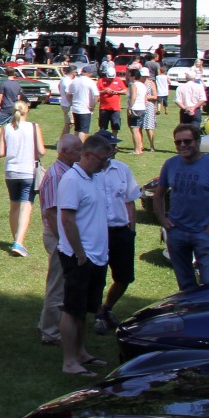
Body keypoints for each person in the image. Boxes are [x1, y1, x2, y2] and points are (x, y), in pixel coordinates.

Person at [154, 123, 209, 290]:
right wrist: (163, 220)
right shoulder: (170, 164)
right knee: (185, 284)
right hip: (177, 232)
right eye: (178, 142)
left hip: (203, 234)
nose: (183, 145)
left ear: (198, 142)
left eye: (187, 141)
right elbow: (158, 195)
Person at [57, 135, 114, 375]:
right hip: (79, 255)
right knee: (72, 309)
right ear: (89, 155)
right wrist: (80, 253)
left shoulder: (96, 178)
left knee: (84, 309)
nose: (106, 164)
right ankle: (69, 361)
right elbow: (67, 219)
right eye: (103, 159)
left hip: (96, 255)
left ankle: (81, 352)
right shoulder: (72, 180)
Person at [92, 133, 144, 334]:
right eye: (112, 146)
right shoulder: (89, 172)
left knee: (124, 277)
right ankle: (98, 314)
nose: (115, 149)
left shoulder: (122, 170)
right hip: (98, 233)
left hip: (121, 232)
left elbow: (130, 201)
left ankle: (107, 308)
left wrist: (132, 230)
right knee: (97, 277)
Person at [36, 134, 83, 346]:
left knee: (60, 283)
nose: (82, 154)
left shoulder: (66, 172)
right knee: (58, 285)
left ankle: (46, 324)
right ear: (65, 152)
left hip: (61, 235)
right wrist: (65, 241)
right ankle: (50, 332)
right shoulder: (57, 176)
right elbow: (53, 213)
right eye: (78, 150)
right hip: (58, 235)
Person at [0, 99, 45, 257]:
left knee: (14, 206)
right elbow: (41, 151)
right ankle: (19, 241)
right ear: (27, 111)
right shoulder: (33, 127)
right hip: (27, 171)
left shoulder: (7, 128)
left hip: (11, 172)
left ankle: (16, 239)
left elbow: (0, 152)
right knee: (26, 206)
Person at [127, 69, 152, 154]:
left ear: (133, 76)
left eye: (129, 75)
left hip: (136, 108)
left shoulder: (134, 85)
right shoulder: (142, 85)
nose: (128, 77)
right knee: (137, 129)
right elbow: (145, 98)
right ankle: (139, 147)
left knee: (135, 129)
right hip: (142, 108)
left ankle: (137, 150)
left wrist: (130, 107)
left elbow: (134, 96)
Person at [69, 65, 97, 134]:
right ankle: (81, 145)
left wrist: (71, 103)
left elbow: (68, 94)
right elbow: (97, 96)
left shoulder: (74, 81)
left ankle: (75, 144)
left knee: (77, 129)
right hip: (85, 109)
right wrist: (92, 106)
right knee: (83, 131)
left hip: (75, 108)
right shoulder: (90, 82)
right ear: (89, 73)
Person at [97, 68, 126, 134]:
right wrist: (104, 91)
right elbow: (96, 92)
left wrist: (116, 92)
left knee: (115, 126)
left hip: (115, 108)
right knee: (103, 127)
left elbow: (124, 90)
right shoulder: (101, 81)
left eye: (112, 78)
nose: (111, 79)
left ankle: (114, 142)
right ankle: (103, 141)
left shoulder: (118, 80)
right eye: (109, 78)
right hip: (104, 108)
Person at [57, 62, 75, 136]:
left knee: (70, 122)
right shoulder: (68, 81)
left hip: (64, 103)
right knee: (70, 123)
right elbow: (68, 94)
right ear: (73, 73)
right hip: (68, 104)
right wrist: (71, 103)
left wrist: (62, 95)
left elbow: (59, 86)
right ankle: (62, 139)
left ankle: (63, 138)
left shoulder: (64, 79)